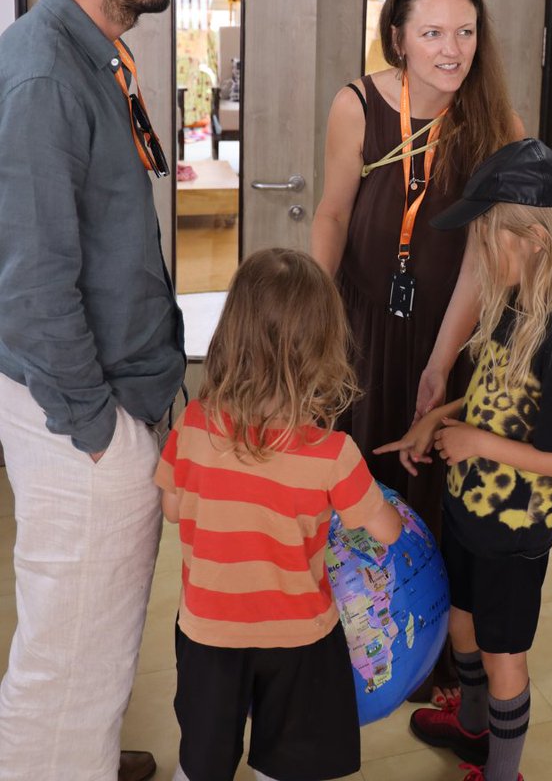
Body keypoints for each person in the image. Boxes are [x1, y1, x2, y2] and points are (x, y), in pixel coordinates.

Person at [0, 0, 190, 781]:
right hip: (82, 417)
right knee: (67, 659)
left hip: (114, 404)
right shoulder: (44, 72)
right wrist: (98, 432)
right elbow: (31, 286)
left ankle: (87, 757)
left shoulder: (94, 55)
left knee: (99, 641)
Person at [311, 0, 521, 703]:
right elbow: (333, 214)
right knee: (357, 481)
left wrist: (440, 361)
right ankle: (349, 641)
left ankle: (430, 653)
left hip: (450, 333)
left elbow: (485, 256)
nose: (451, 50)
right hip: (362, 326)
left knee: (437, 488)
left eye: (465, 32)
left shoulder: (495, 122)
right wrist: (315, 320)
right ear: (398, 38)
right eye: (432, 33)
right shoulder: (358, 105)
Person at [377, 138, 552, 781]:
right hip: (469, 513)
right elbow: (492, 395)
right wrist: (437, 420)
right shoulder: (512, 308)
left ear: (535, 239)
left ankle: (502, 771)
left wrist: (477, 444)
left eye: (485, 239)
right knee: (462, 627)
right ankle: (473, 728)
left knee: (505, 657)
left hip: (513, 537)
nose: (475, 254)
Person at [155, 248, 402, 781]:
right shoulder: (333, 454)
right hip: (298, 637)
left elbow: (172, 510)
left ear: (231, 335)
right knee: (292, 761)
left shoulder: (192, 424)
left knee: (201, 759)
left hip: (208, 631)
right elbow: (386, 530)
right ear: (322, 348)